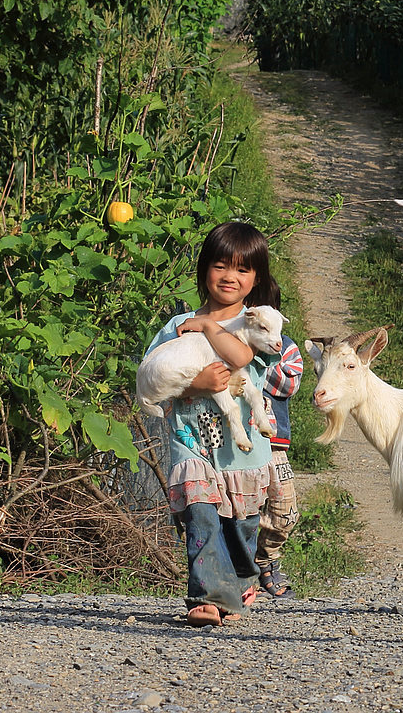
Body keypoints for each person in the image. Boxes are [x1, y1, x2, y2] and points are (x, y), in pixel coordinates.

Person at [141, 221, 279, 628]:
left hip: (242, 446)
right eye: (221, 266)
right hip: (191, 440)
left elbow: (244, 362)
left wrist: (209, 327)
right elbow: (152, 374)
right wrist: (192, 383)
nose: (230, 277)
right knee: (200, 511)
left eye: (242, 270)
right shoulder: (176, 326)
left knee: (240, 524)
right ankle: (207, 594)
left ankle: (240, 577)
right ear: (204, 270)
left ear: (256, 279)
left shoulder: (261, 325)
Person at [254, 332, 303, 597]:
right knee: (239, 508)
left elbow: (288, 384)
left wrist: (251, 355)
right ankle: (244, 572)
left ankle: (264, 558)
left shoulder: (285, 346)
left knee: (286, 511)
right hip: (234, 440)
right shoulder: (223, 335)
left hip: (273, 441)